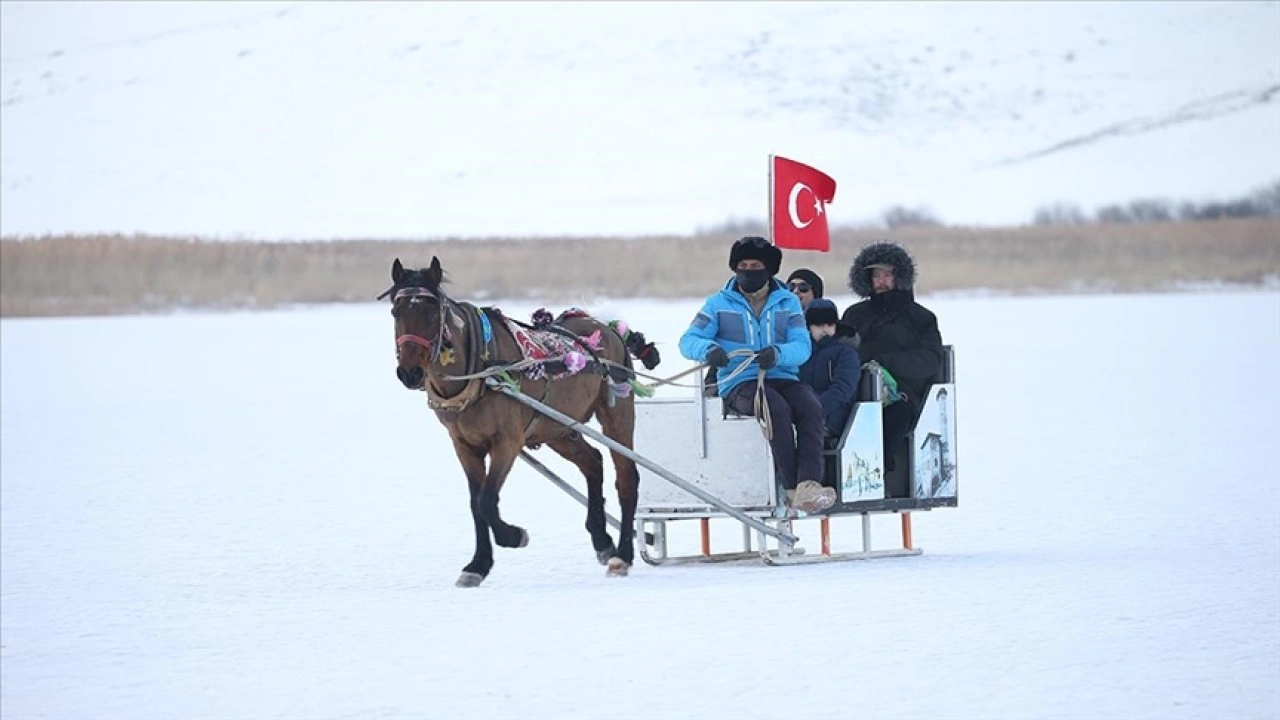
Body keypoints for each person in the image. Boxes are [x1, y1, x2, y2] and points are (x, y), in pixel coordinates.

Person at [679, 236, 836, 513]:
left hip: (784, 376)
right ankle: (791, 488)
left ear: (769, 270)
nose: (748, 271)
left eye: (755, 265)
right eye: (743, 265)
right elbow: (688, 340)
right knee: (774, 407)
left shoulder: (788, 303)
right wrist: (709, 350)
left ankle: (809, 485)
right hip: (739, 382)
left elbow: (801, 345)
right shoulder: (717, 304)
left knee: (811, 407)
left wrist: (777, 353)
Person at [840, 242, 944, 482]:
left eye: (887, 275)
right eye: (876, 275)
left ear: (901, 277)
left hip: (903, 396)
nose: (881, 281)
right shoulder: (854, 315)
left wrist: (885, 363)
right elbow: (842, 353)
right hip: (857, 390)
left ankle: (878, 472)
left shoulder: (921, 318)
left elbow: (929, 361)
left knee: (897, 413)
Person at [798, 298, 862, 440]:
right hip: (804, 414)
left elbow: (843, 389)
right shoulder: (801, 353)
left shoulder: (846, 353)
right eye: (819, 325)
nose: (825, 329)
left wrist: (814, 410)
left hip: (835, 416)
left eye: (830, 324)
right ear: (809, 327)